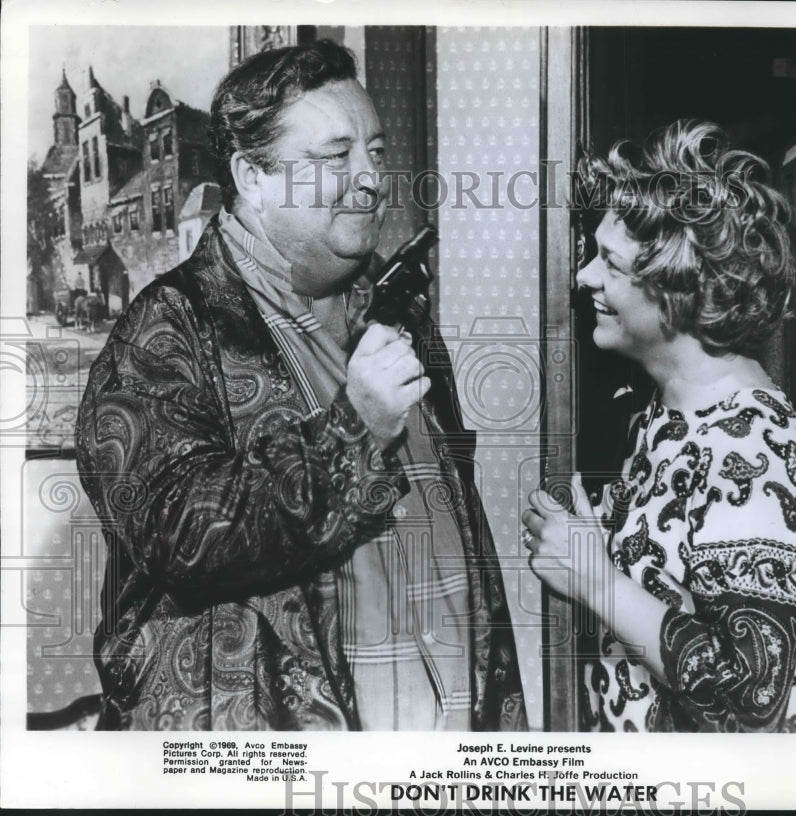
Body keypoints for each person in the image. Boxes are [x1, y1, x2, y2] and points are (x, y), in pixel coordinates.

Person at [75, 40, 526, 731]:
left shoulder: (401, 316)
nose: (371, 178)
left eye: (375, 152)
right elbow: (181, 541)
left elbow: (467, 544)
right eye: (335, 157)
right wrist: (355, 429)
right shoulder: (167, 329)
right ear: (252, 178)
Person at [522, 120, 796, 733]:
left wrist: (595, 578)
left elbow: (752, 694)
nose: (584, 277)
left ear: (678, 289)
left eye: (609, 264)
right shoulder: (670, 413)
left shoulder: (750, 445)